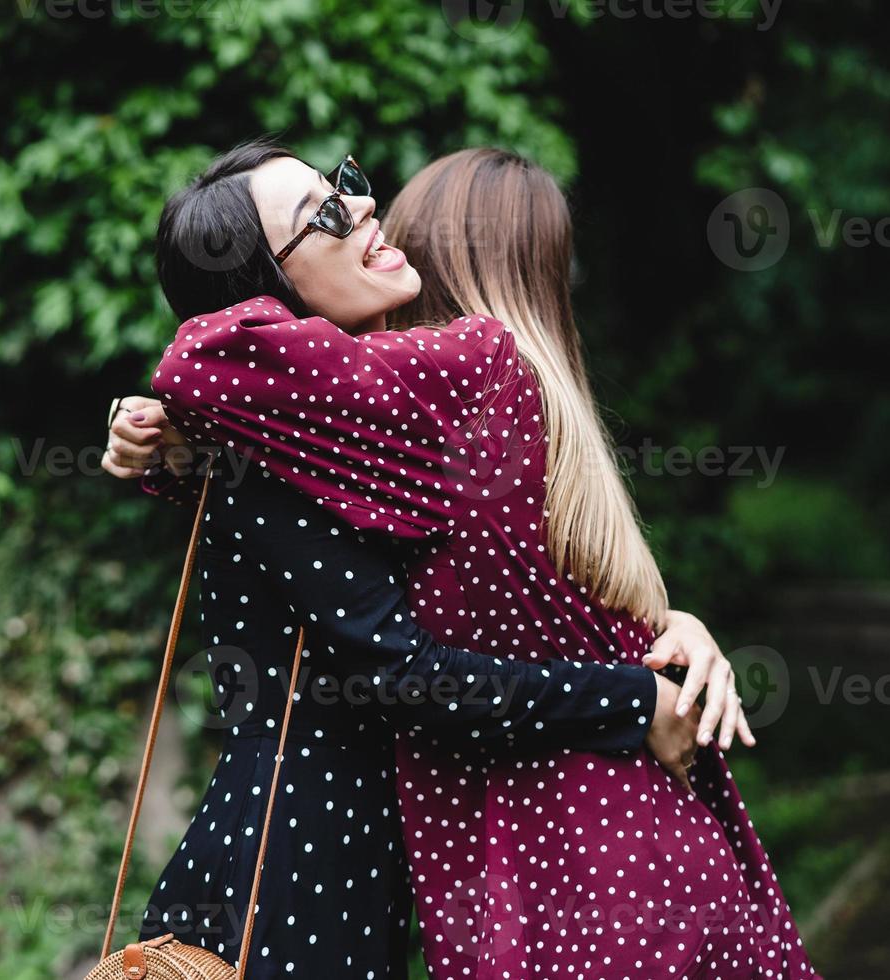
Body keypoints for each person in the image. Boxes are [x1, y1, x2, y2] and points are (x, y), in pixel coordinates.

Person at [111, 141, 816, 978]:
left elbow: (525, 597)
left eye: (344, 186)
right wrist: (633, 697)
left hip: (370, 854)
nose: (362, 206)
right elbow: (408, 675)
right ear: (270, 293)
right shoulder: (277, 448)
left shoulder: (369, 440)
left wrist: (666, 628)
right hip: (294, 870)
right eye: (325, 215)